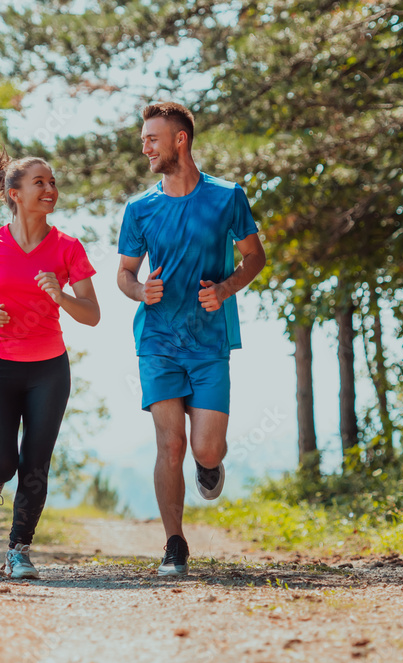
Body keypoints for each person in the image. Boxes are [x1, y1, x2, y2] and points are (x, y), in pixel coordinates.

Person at [117, 102, 266, 576]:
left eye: (152, 139)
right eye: (143, 138)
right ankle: (174, 544)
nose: (145, 147)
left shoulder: (227, 198)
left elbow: (255, 258)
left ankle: (210, 466)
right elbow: (123, 274)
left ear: (180, 140)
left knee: (204, 449)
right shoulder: (140, 208)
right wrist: (141, 290)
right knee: (169, 444)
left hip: (207, 344)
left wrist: (223, 289)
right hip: (158, 340)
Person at [0, 131, 101, 580]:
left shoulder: (68, 248)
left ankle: (19, 549)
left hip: (48, 370)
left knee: (36, 461)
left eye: (53, 182)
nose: (51, 189)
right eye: (41, 182)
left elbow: (92, 315)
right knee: (3, 460)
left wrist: (60, 295)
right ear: (14, 194)